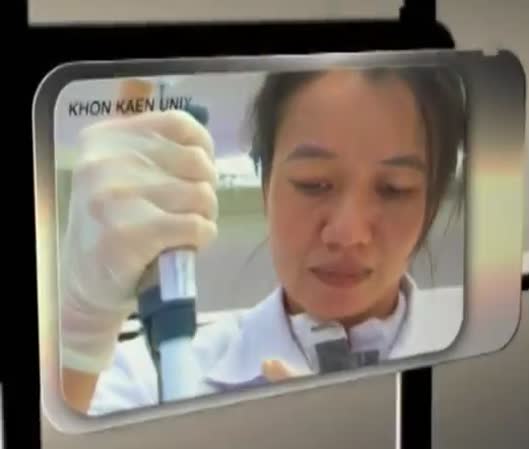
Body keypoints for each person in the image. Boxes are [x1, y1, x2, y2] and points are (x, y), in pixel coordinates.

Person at [59, 66, 466, 416]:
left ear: (431, 202)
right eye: (313, 183)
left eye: (394, 189)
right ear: (265, 183)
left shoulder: (487, 358)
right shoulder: (152, 379)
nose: (347, 233)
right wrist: (80, 334)